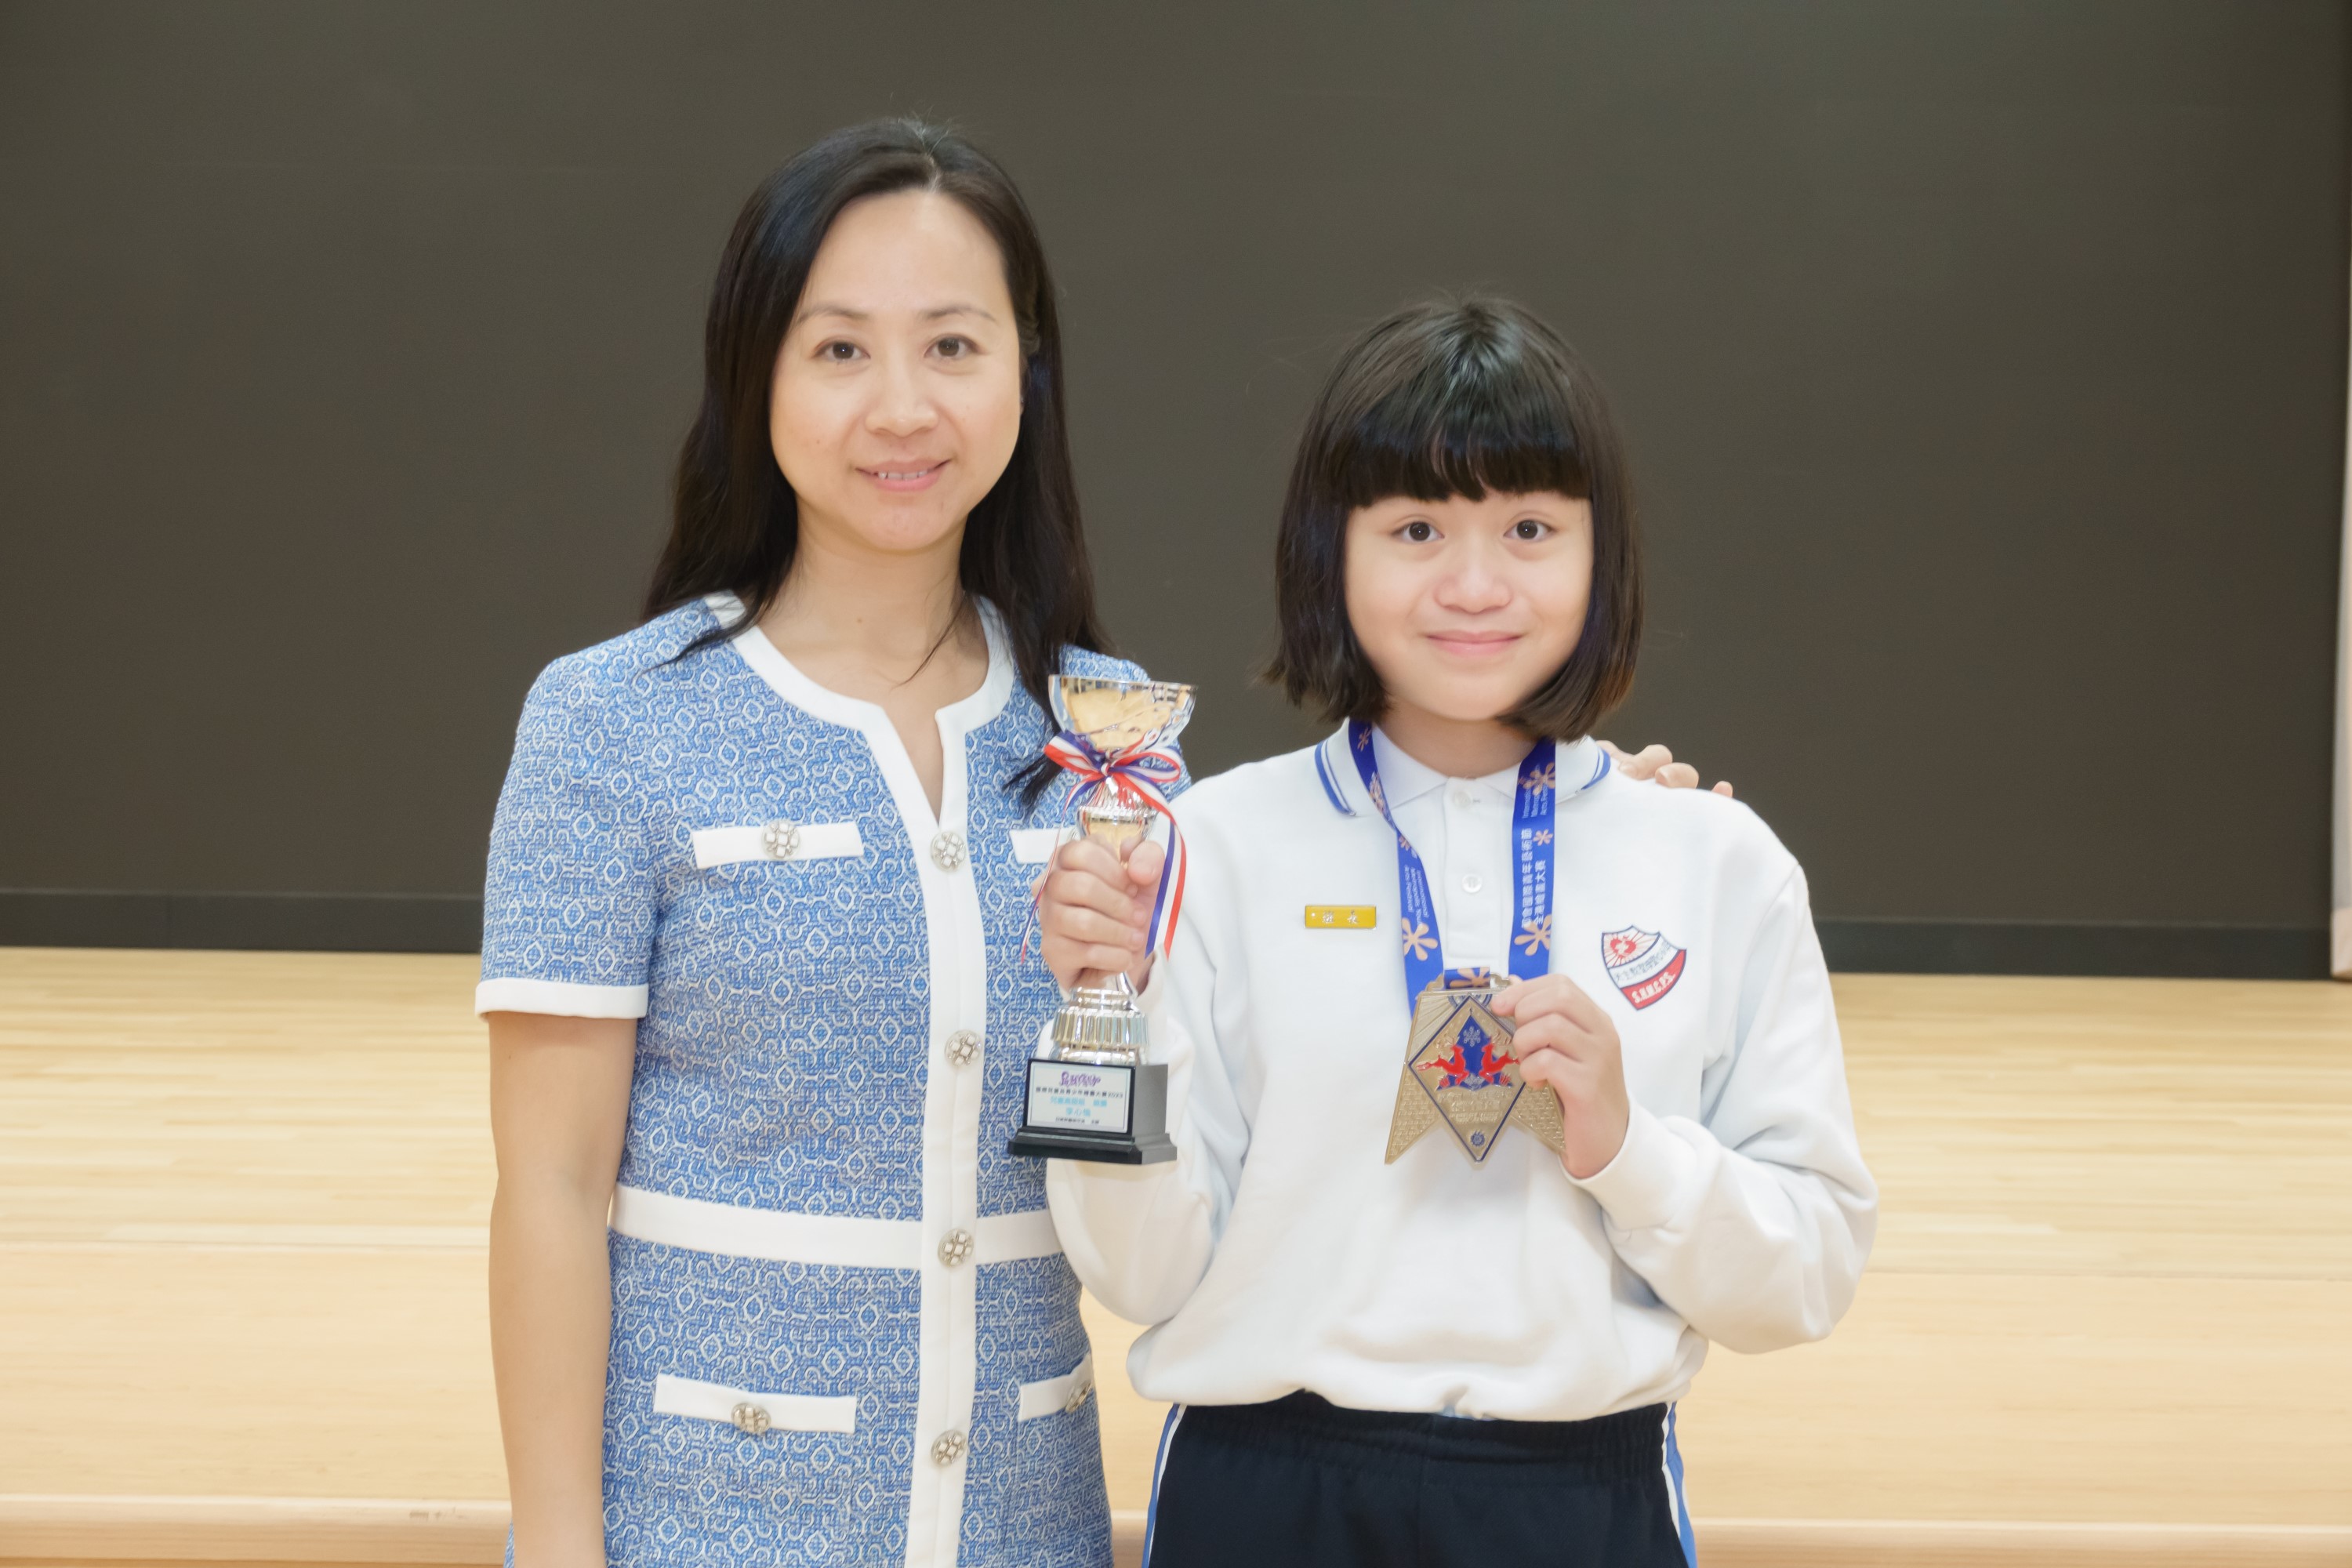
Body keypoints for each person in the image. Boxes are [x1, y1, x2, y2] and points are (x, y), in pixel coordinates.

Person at [1038, 298, 1876, 1567]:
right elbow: (1140, 1278)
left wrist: (1627, 1148)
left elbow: (1804, 1278)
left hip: (1580, 1500)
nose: (1475, 586)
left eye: (1530, 529)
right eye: (1417, 529)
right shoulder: (1210, 848)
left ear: (1602, 555)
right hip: (1263, 1493)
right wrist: (1105, 1013)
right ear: (1330, 551)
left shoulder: (1715, 861)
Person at [479, 121, 1144, 1568]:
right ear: (755, 377)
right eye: (840, 349)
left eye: (953, 346)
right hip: (702, 1525)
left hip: (1025, 1525)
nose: (902, 407)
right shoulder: (609, 721)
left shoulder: (1113, 743)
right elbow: (550, 1192)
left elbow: (1144, 1166)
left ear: (1024, 371)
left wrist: (1600, 805)